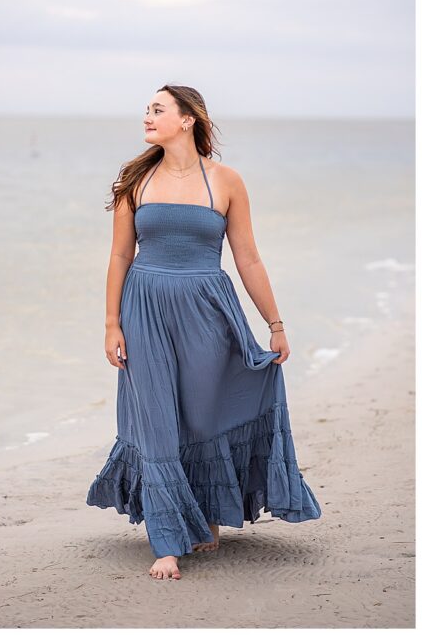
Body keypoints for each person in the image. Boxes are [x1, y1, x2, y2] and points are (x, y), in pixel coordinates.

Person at [85, 85, 321, 581]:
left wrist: (275, 325)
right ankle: (168, 542)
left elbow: (248, 258)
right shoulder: (136, 182)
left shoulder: (226, 181)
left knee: (203, 411)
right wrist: (111, 323)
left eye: (158, 109)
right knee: (156, 420)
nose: (147, 116)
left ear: (189, 119)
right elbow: (120, 256)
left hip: (209, 311)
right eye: (147, 109)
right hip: (144, 308)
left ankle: (206, 516)